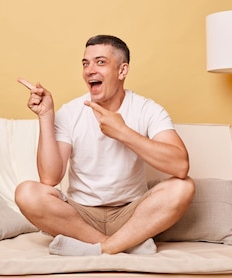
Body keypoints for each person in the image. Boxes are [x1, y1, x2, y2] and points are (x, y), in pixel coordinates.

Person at [15, 35, 195, 256]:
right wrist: (45, 116)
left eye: (100, 62)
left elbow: (180, 166)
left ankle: (102, 248)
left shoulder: (147, 109)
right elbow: (50, 179)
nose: (90, 70)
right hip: (80, 217)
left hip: (132, 214)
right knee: (27, 193)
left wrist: (123, 133)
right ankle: (122, 245)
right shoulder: (70, 113)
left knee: (183, 187)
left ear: (122, 71)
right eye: (85, 63)